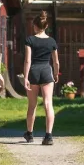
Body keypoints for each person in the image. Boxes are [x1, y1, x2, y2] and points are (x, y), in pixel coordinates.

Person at [22, 11, 59, 145]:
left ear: (35, 26)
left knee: (32, 105)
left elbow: (27, 60)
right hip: (46, 71)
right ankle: (48, 136)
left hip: (34, 72)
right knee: (48, 104)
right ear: (46, 26)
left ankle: (29, 134)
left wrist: (25, 77)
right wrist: (56, 73)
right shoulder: (52, 41)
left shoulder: (30, 40)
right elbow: (56, 61)